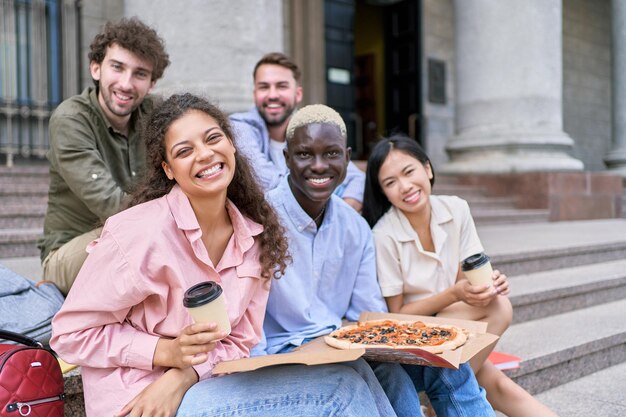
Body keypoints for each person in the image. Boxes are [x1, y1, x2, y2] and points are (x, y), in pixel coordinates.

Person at [50, 94, 393, 417]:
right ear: (168, 168)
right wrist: (163, 352)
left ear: (231, 144)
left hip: (205, 384)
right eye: (185, 150)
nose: (204, 154)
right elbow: (69, 334)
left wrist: (185, 374)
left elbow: (241, 339)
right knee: (339, 389)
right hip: (140, 401)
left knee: (357, 370)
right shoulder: (138, 232)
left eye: (213, 138)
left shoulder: (256, 237)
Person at [256, 104, 496, 417]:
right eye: (304, 154)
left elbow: (367, 316)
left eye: (331, 153)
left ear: (346, 157)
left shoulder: (355, 228)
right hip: (279, 356)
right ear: (286, 157)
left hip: (339, 344)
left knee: (448, 363)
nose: (319, 165)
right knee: (375, 378)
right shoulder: (258, 219)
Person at [362, 134, 558, 417]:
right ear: (383, 192)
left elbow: (468, 273)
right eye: (390, 183)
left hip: (450, 334)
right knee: (494, 382)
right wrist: (455, 294)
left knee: (498, 312)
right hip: (412, 337)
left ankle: (436, 398)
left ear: (427, 169)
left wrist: (490, 284)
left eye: (409, 172)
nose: (405, 187)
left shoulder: (456, 208)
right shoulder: (383, 234)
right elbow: (398, 313)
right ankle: (443, 391)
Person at [37, 17, 170, 295]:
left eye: (140, 74)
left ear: (152, 83)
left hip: (140, 235)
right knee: (136, 235)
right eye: (117, 67)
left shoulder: (154, 113)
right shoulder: (71, 118)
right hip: (69, 252)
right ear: (96, 68)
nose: (126, 83)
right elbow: (111, 204)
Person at [229, 52, 366, 211]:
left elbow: (356, 179)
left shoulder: (310, 128)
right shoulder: (240, 126)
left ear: (298, 94)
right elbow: (267, 183)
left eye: (282, 86)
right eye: (264, 87)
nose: (272, 95)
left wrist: (338, 218)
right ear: (255, 94)